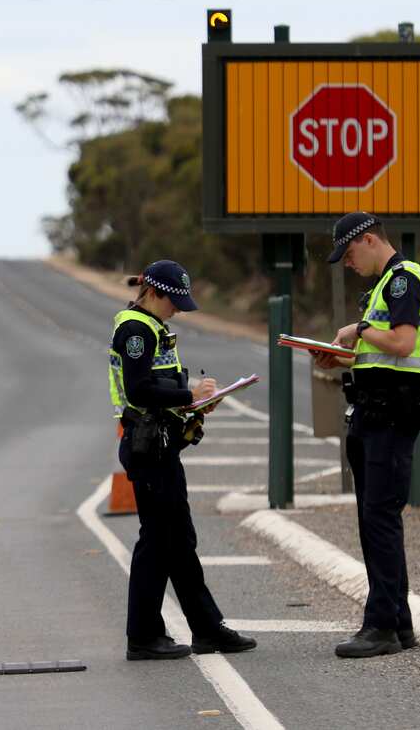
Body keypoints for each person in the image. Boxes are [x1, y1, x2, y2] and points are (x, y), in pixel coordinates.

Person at [109, 259, 257, 660]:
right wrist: (189, 397)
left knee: (177, 541)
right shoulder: (136, 330)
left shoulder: (153, 327)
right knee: (158, 543)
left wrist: (195, 402)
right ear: (153, 292)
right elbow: (139, 389)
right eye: (172, 301)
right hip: (148, 446)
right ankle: (143, 636)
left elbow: (160, 384)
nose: (177, 309)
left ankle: (207, 629)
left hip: (161, 443)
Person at [313, 212, 420, 659]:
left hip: (391, 416)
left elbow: (403, 344)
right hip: (374, 413)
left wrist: (359, 329)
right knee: (375, 521)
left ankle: (381, 625)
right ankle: (398, 625)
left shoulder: (403, 280)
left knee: (380, 521)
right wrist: (341, 358)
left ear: (369, 239)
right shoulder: (384, 286)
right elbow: (383, 358)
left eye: (349, 253)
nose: (348, 263)